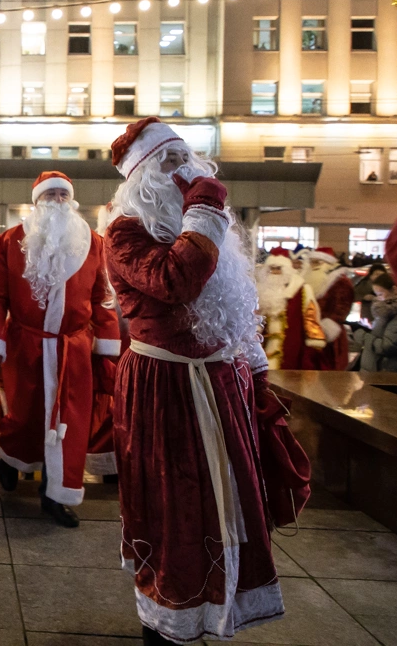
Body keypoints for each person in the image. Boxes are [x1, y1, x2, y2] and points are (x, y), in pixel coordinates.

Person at [103, 118, 289, 644]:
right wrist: (205, 209)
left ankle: (212, 607)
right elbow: (175, 281)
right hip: (164, 388)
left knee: (225, 505)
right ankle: (166, 623)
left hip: (220, 384)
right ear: (140, 177)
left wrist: (256, 376)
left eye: (183, 156)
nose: (180, 169)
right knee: (174, 512)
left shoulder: (202, 225)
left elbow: (233, 309)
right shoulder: (124, 231)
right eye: (165, 161)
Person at [0, 171, 120, 526]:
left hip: (75, 351)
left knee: (71, 424)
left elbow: (102, 301)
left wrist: (106, 351)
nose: (56, 200)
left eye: (62, 195)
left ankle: (57, 495)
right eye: (49, 195)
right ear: (36, 201)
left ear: (71, 201)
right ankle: (8, 458)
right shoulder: (9, 242)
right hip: (25, 347)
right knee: (24, 418)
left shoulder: (93, 243)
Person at [257, 248, 326, 370]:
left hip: (292, 346)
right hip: (263, 347)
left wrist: (314, 343)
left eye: (278, 268)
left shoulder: (302, 290)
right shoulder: (261, 291)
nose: (274, 272)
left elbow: (311, 317)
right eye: (271, 268)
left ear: (287, 270)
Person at [304, 247, 352, 370]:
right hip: (309, 334)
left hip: (330, 337)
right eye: (312, 262)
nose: (313, 265)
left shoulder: (340, 282)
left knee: (328, 371)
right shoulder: (305, 280)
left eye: (318, 262)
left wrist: (325, 329)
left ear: (328, 264)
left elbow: (341, 309)